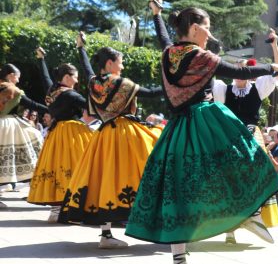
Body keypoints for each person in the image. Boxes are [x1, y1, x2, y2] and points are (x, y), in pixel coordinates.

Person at [125, 0, 278, 264]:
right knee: (245, 155)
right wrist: (272, 68)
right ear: (197, 28)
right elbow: (239, 71)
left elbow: (164, 40)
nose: (210, 33)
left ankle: (179, 262)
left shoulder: (168, 54)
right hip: (205, 122)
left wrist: (156, 16)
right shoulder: (201, 57)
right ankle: (248, 213)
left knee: (180, 190)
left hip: (176, 129)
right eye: (208, 27)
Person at [59, 34, 162, 249]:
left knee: (105, 179)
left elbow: (88, 71)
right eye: (120, 62)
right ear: (110, 63)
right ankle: (159, 225)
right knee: (150, 169)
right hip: (126, 132)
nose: (122, 67)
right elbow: (151, 93)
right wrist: (176, 82)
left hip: (104, 134)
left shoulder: (94, 83)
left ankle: (106, 234)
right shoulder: (120, 83)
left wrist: (81, 50)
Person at [211, 29, 278, 244]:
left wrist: (274, 44)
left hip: (253, 138)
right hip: (231, 140)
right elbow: (207, 77)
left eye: (243, 69)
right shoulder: (222, 90)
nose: (239, 72)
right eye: (236, 69)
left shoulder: (258, 88)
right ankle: (230, 229)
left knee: (258, 178)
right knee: (230, 181)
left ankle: (254, 217)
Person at [27, 47, 94, 222]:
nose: (78, 80)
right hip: (73, 133)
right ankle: (72, 209)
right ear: (66, 77)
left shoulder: (52, 92)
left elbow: (46, 78)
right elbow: (90, 105)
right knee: (78, 167)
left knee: (56, 168)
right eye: (75, 76)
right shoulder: (71, 94)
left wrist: (41, 60)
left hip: (56, 133)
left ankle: (57, 209)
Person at [0, 64, 46, 201]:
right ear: (11, 75)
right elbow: (31, 104)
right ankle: (31, 178)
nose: (18, 81)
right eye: (17, 77)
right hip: (7, 125)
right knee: (35, 138)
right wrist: (50, 109)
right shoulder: (11, 90)